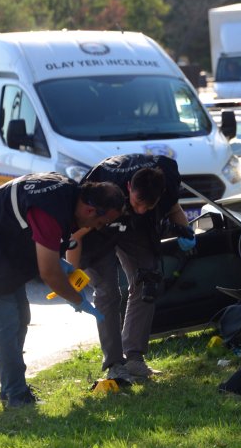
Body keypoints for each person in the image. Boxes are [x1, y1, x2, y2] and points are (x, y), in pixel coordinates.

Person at [0, 174, 125, 409]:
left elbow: (44, 248)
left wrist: (64, 266)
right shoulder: (51, 210)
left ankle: (13, 389)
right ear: (90, 210)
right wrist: (77, 299)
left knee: (21, 319)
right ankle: (16, 396)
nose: (98, 228)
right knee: (5, 326)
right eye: (102, 222)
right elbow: (49, 273)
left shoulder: (69, 195)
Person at [68, 154, 196, 383]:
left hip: (134, 230)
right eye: (137, 203)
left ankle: (135, 358)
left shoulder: (163, 184)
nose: (141, 210)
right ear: (128, 188)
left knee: (149, 278)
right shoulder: (105, 192)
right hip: (95, 230)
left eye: (149, 206)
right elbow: (75, 236)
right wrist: (71, 277)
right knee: (108, 291)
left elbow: (173, 208)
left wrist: (186, 231)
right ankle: (115, 365)